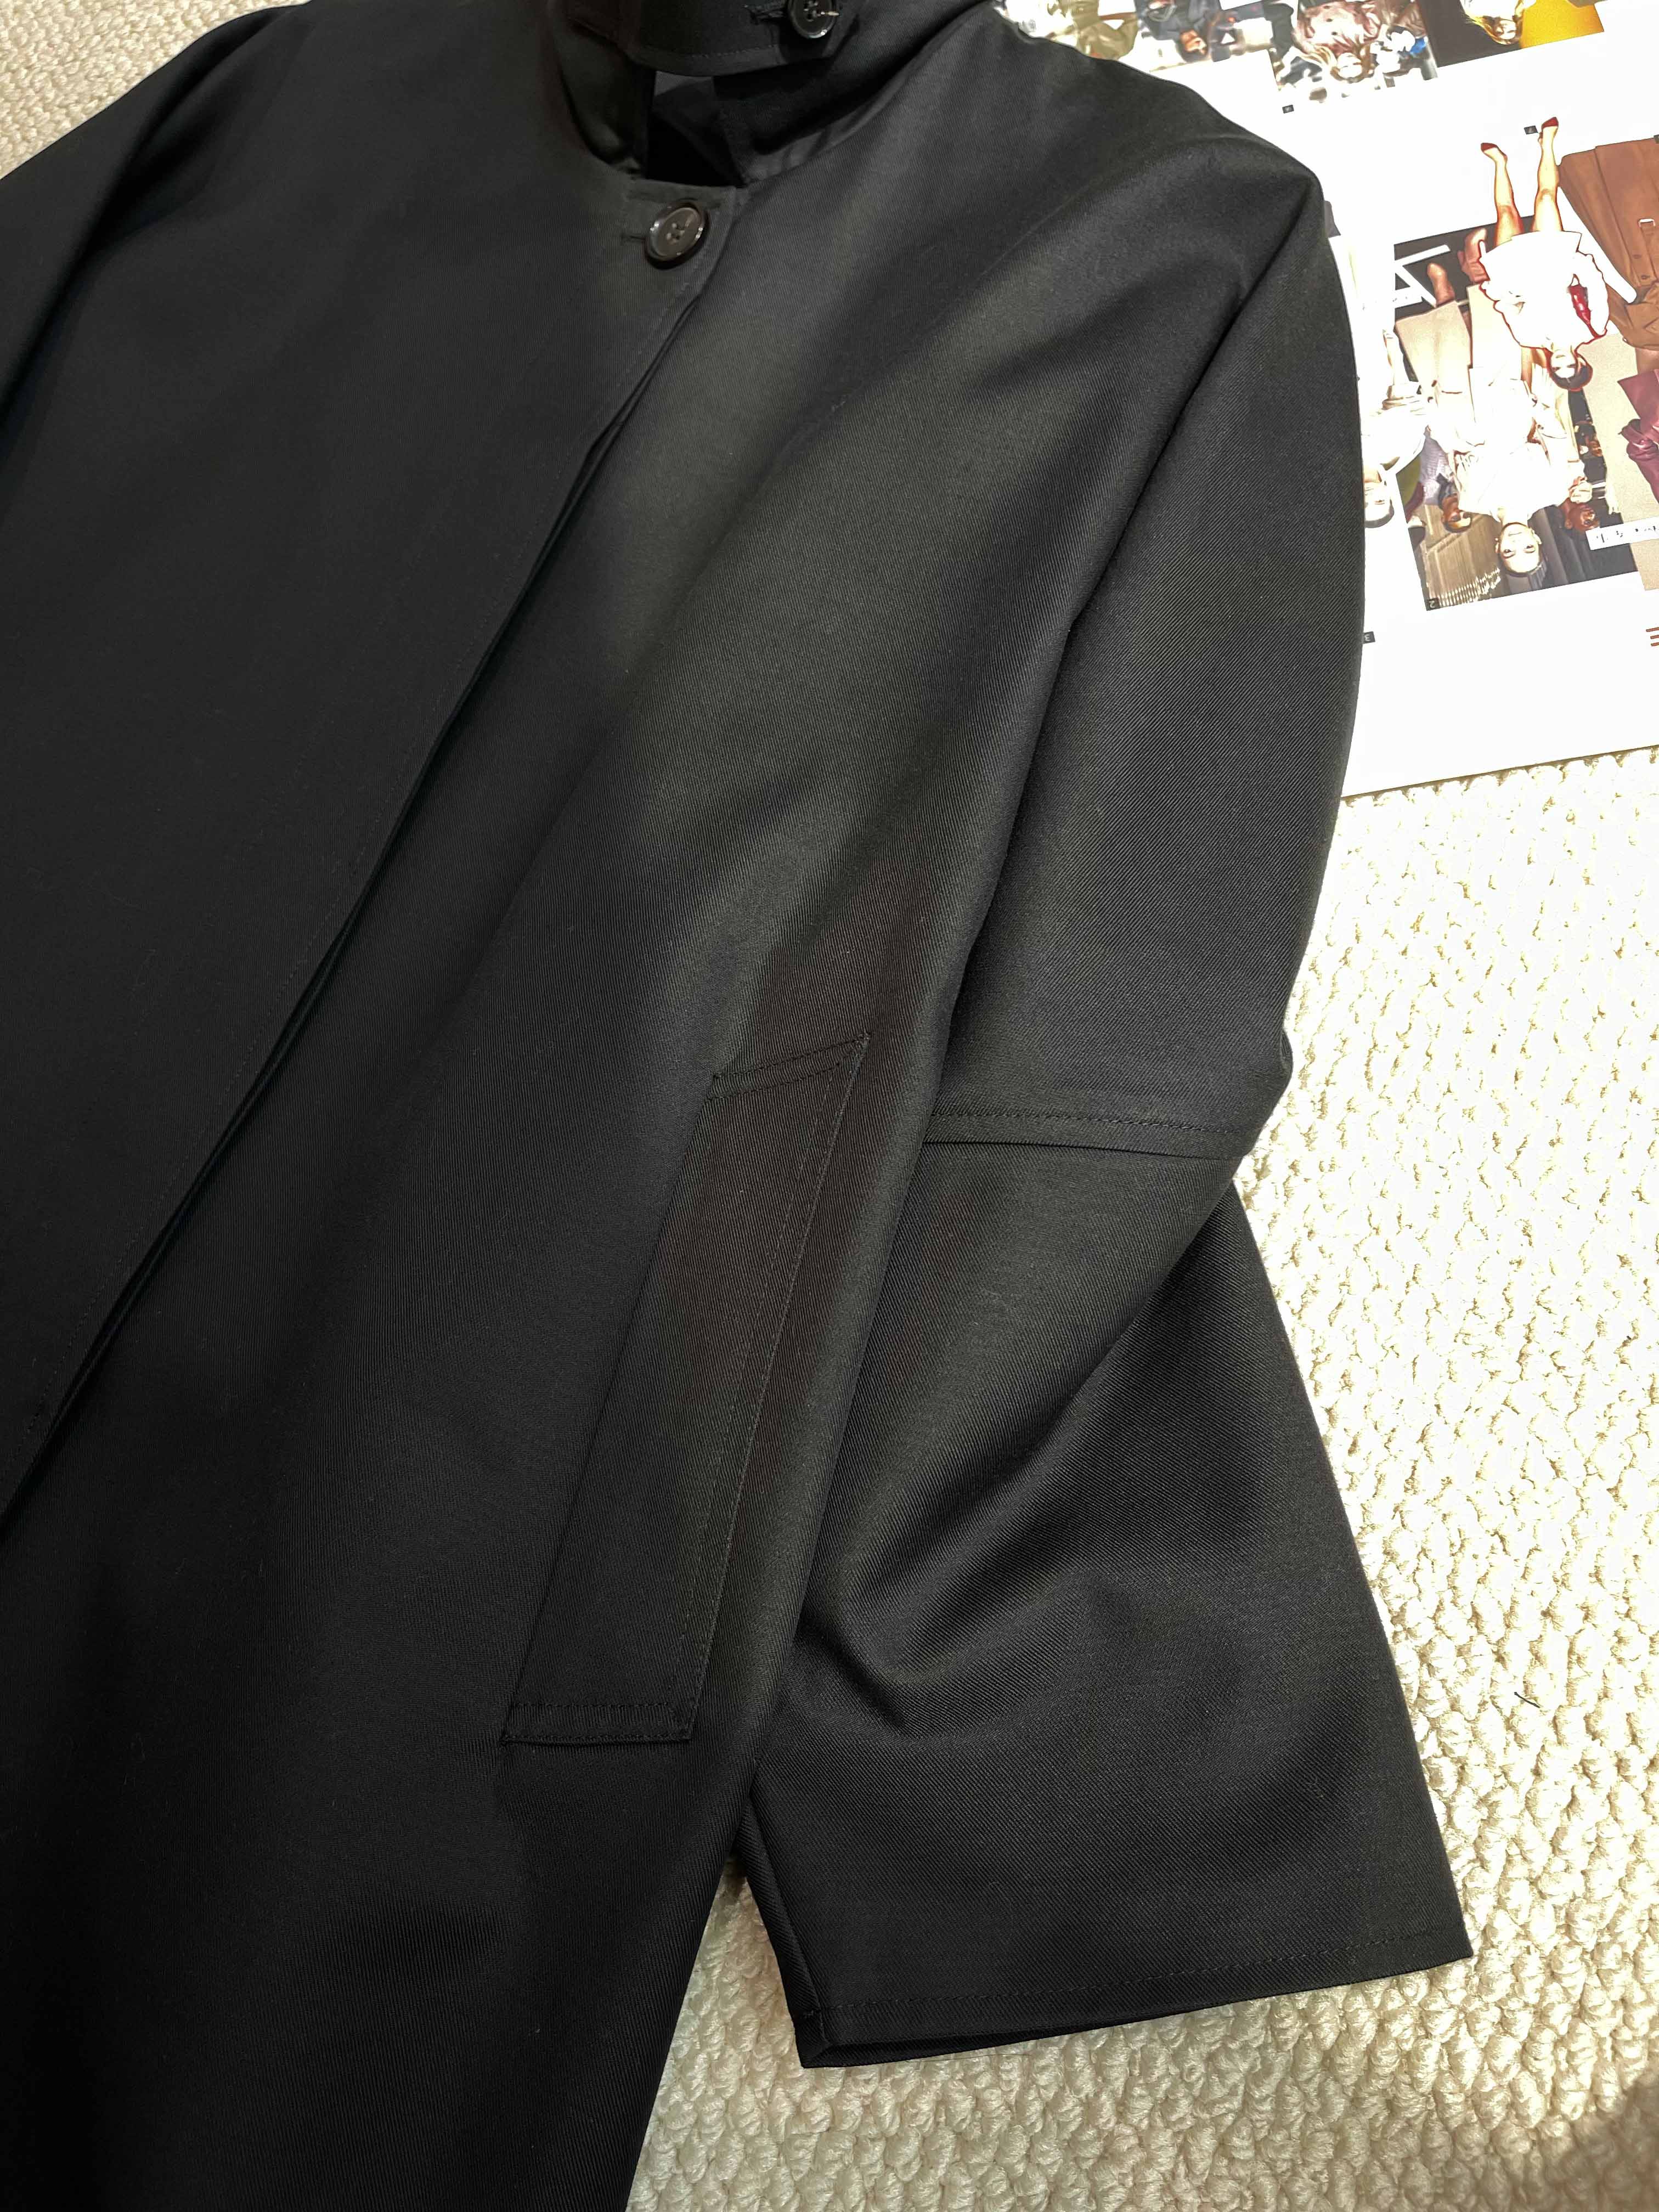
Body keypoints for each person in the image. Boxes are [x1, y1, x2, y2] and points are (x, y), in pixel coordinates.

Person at [1397, 263, 1591, 575]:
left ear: (1498, 547)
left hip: (1462, 417)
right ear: (1537, 539)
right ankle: (1478, 267)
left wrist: (1437, 419)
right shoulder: (1554, 491)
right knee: (1492, 327)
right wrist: (1538, 409)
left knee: (1449, 340)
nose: (1518, 543)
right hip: (1511, 409)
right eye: (1528, 548)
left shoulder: (1471, 501)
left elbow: (1453, 456)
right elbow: (1557, 441)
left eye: (1510, 552)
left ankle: (1443, 289)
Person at [1476, 120, 1611, 388]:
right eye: (1569, 366)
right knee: (1547, 198)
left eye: (1558, 369)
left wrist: (1503, 295)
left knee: (1506, 213)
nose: (1561, 363)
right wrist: (1576, 261)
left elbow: (1507, 309)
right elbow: (1596, 286)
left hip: (1516, 276)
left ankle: (1500, 163)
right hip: (1554, 266)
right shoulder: (1592, 328)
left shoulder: (1527, 338)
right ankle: (1547, 144)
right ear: (1581, 362)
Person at [1458, 0, 1536, 43]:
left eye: (1500, 32)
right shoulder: (1526, 2)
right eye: (1511, 31)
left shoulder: (1475, 10)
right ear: (1517, 26)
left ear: (1493, 30)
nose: (1504, 29)